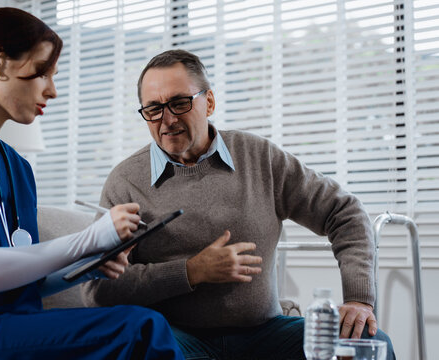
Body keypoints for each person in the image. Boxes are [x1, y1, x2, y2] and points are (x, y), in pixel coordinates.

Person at [0, 8, 184, 359]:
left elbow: (20, 281)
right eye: (41, 73)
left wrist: (85, 267)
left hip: (5, 326)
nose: (52, 91)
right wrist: (87, 239)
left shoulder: (17, 168)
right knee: (142, 330)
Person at [79, 49, 396, 359]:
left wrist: (359, 299)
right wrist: (190, 271)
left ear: (210, 102)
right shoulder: (125, 182)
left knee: (369, 341)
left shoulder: (259, 157)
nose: (167, 119)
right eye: (153, 109)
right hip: (175, 337)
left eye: (179, 103)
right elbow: (96, 290)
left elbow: (344, 211)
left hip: (264, 333)